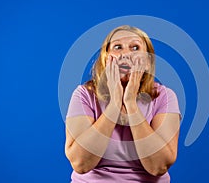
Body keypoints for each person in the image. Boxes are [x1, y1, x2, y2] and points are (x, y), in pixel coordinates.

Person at [65, 25, 181, 183]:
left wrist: (130, 104)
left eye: (135, 47)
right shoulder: (84, 95)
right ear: (106, 59)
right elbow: (81, 163)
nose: (126, 54)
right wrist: (114, 105)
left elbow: (158, 166)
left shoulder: (164, 97)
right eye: (117, 47)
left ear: (147, 62)